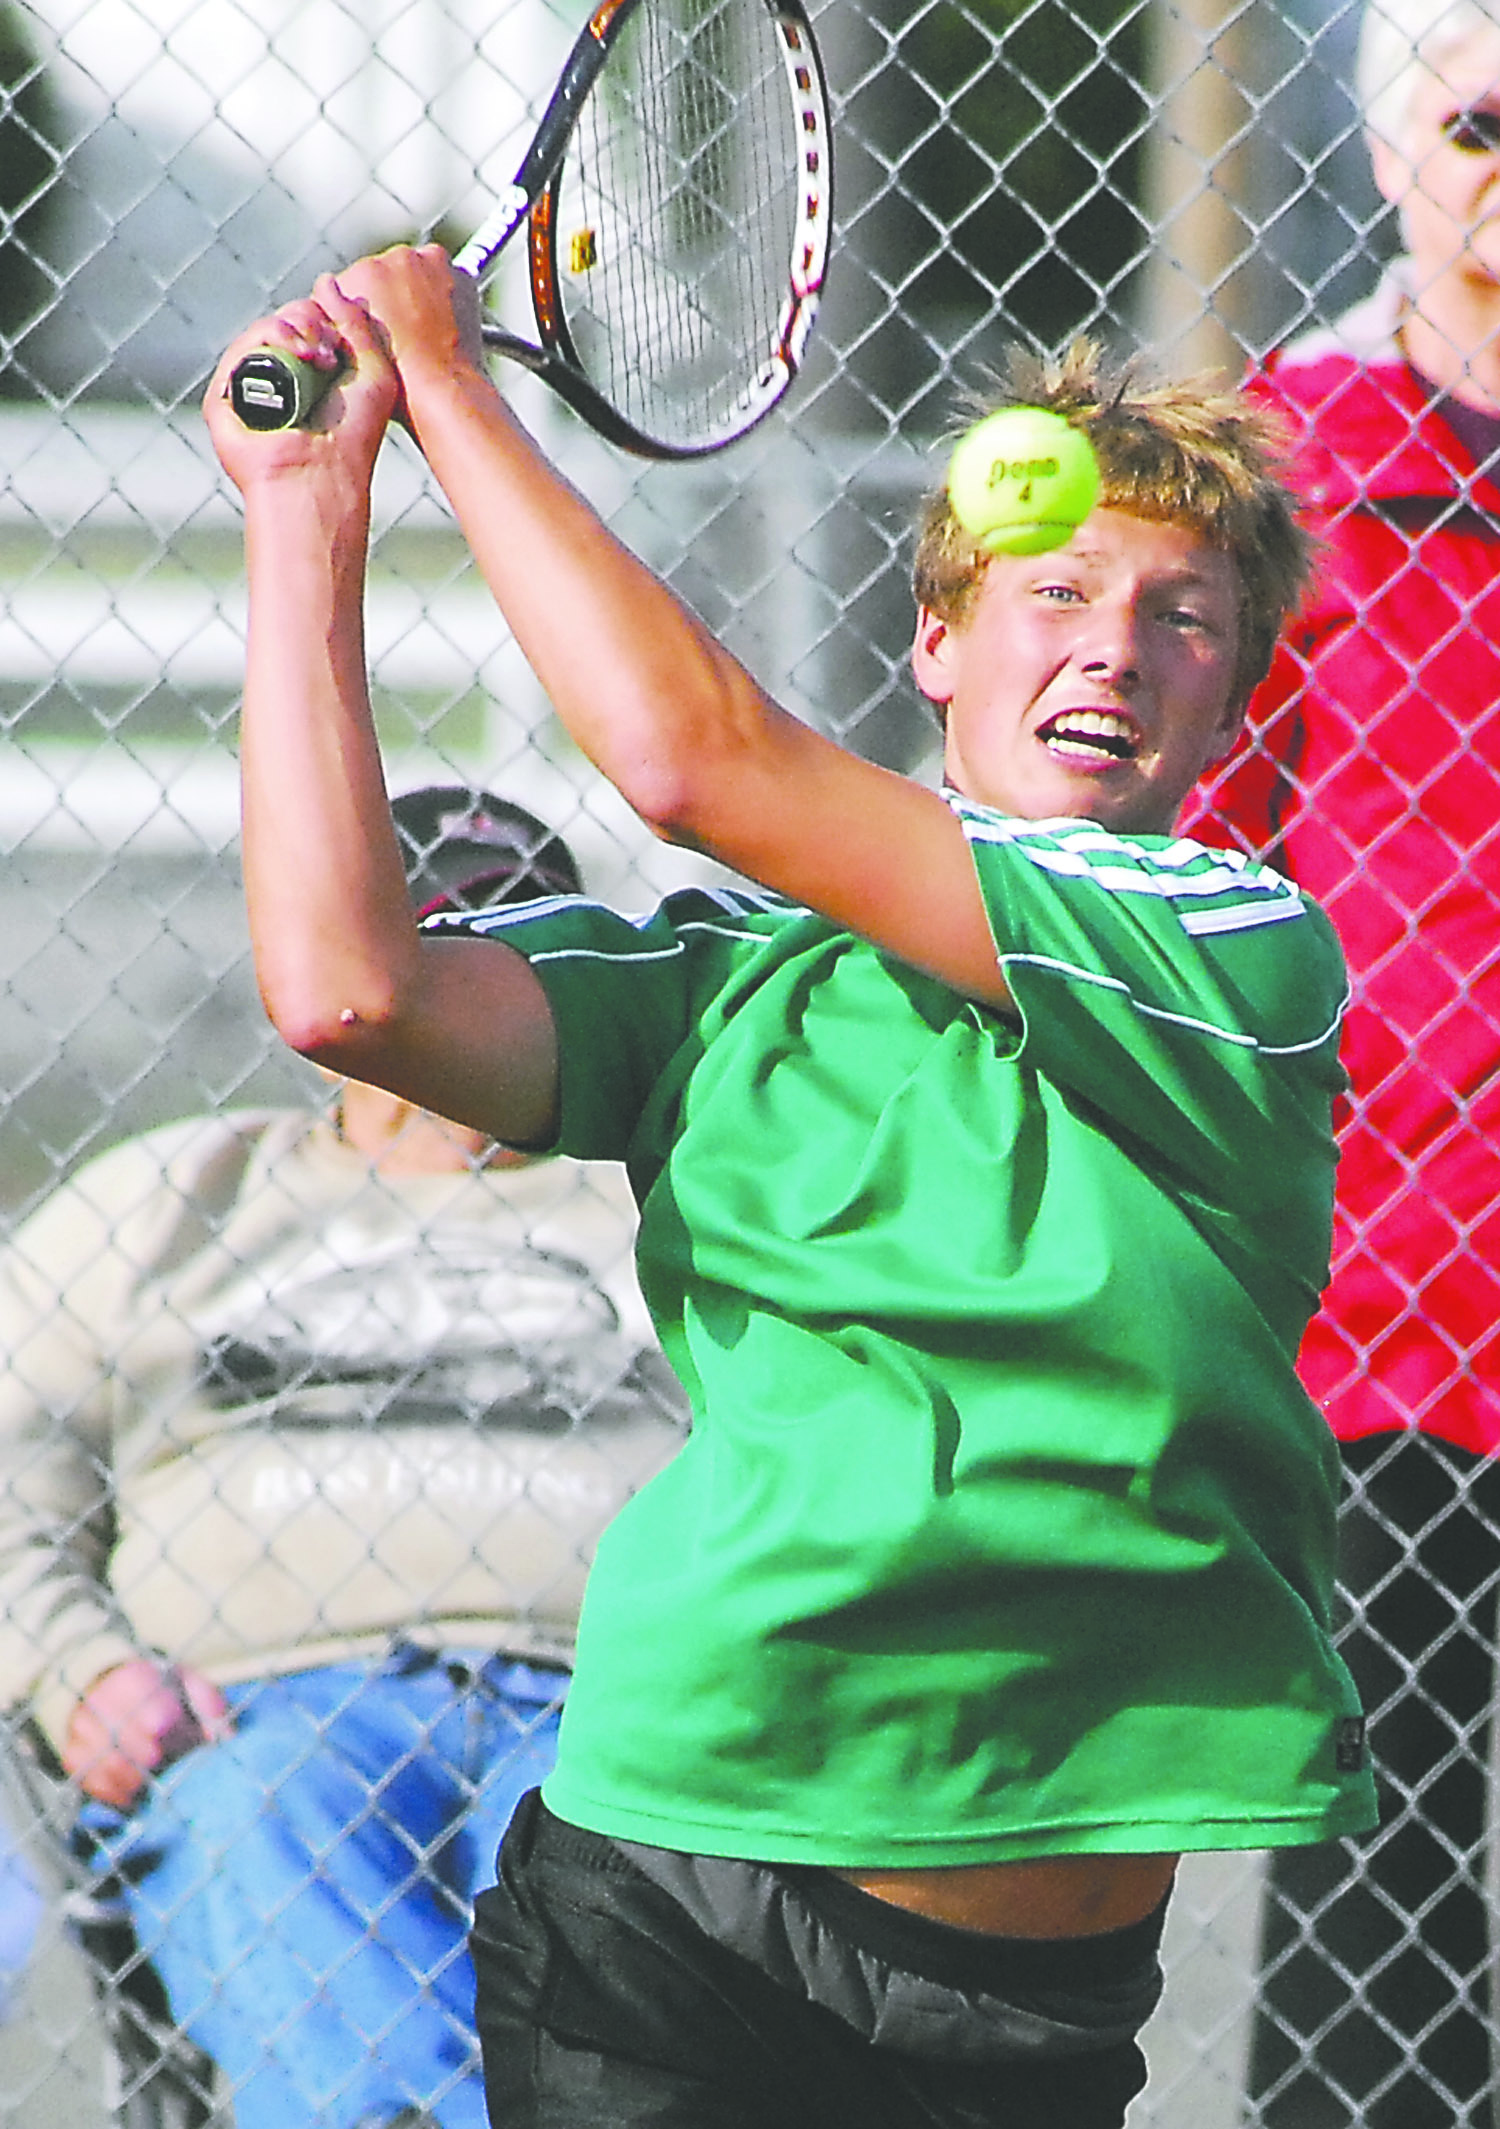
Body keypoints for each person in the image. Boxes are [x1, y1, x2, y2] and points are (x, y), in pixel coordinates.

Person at [202, 248, 1378, 2129]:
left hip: (1007, 1988)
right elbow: (352, 989)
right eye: (1056, 588)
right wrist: (306, 507)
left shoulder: (1232, 952)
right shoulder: (723, 979)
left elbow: (692, 760)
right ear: (939, 643)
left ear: (1233, 695)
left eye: (1184, 617)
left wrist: (455, 390)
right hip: (661, 1903)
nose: (1112, 647)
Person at [0, 783, 688, 2129]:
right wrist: (83, 1674)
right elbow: (12, 1463)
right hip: (256, 1714)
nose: (450, 997)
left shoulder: (672, 1196)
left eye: (505, 951)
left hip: (618, 1711)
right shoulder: (176, 1196)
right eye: (421, 950)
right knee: (262, 1816)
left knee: (608, 1871)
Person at [1186, 4, 1500, 2123]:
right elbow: (1205, 872)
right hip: (1397, 1301)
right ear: (1389, 154)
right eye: (1478, 125)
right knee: (1391, 1901)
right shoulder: (1292, 463)